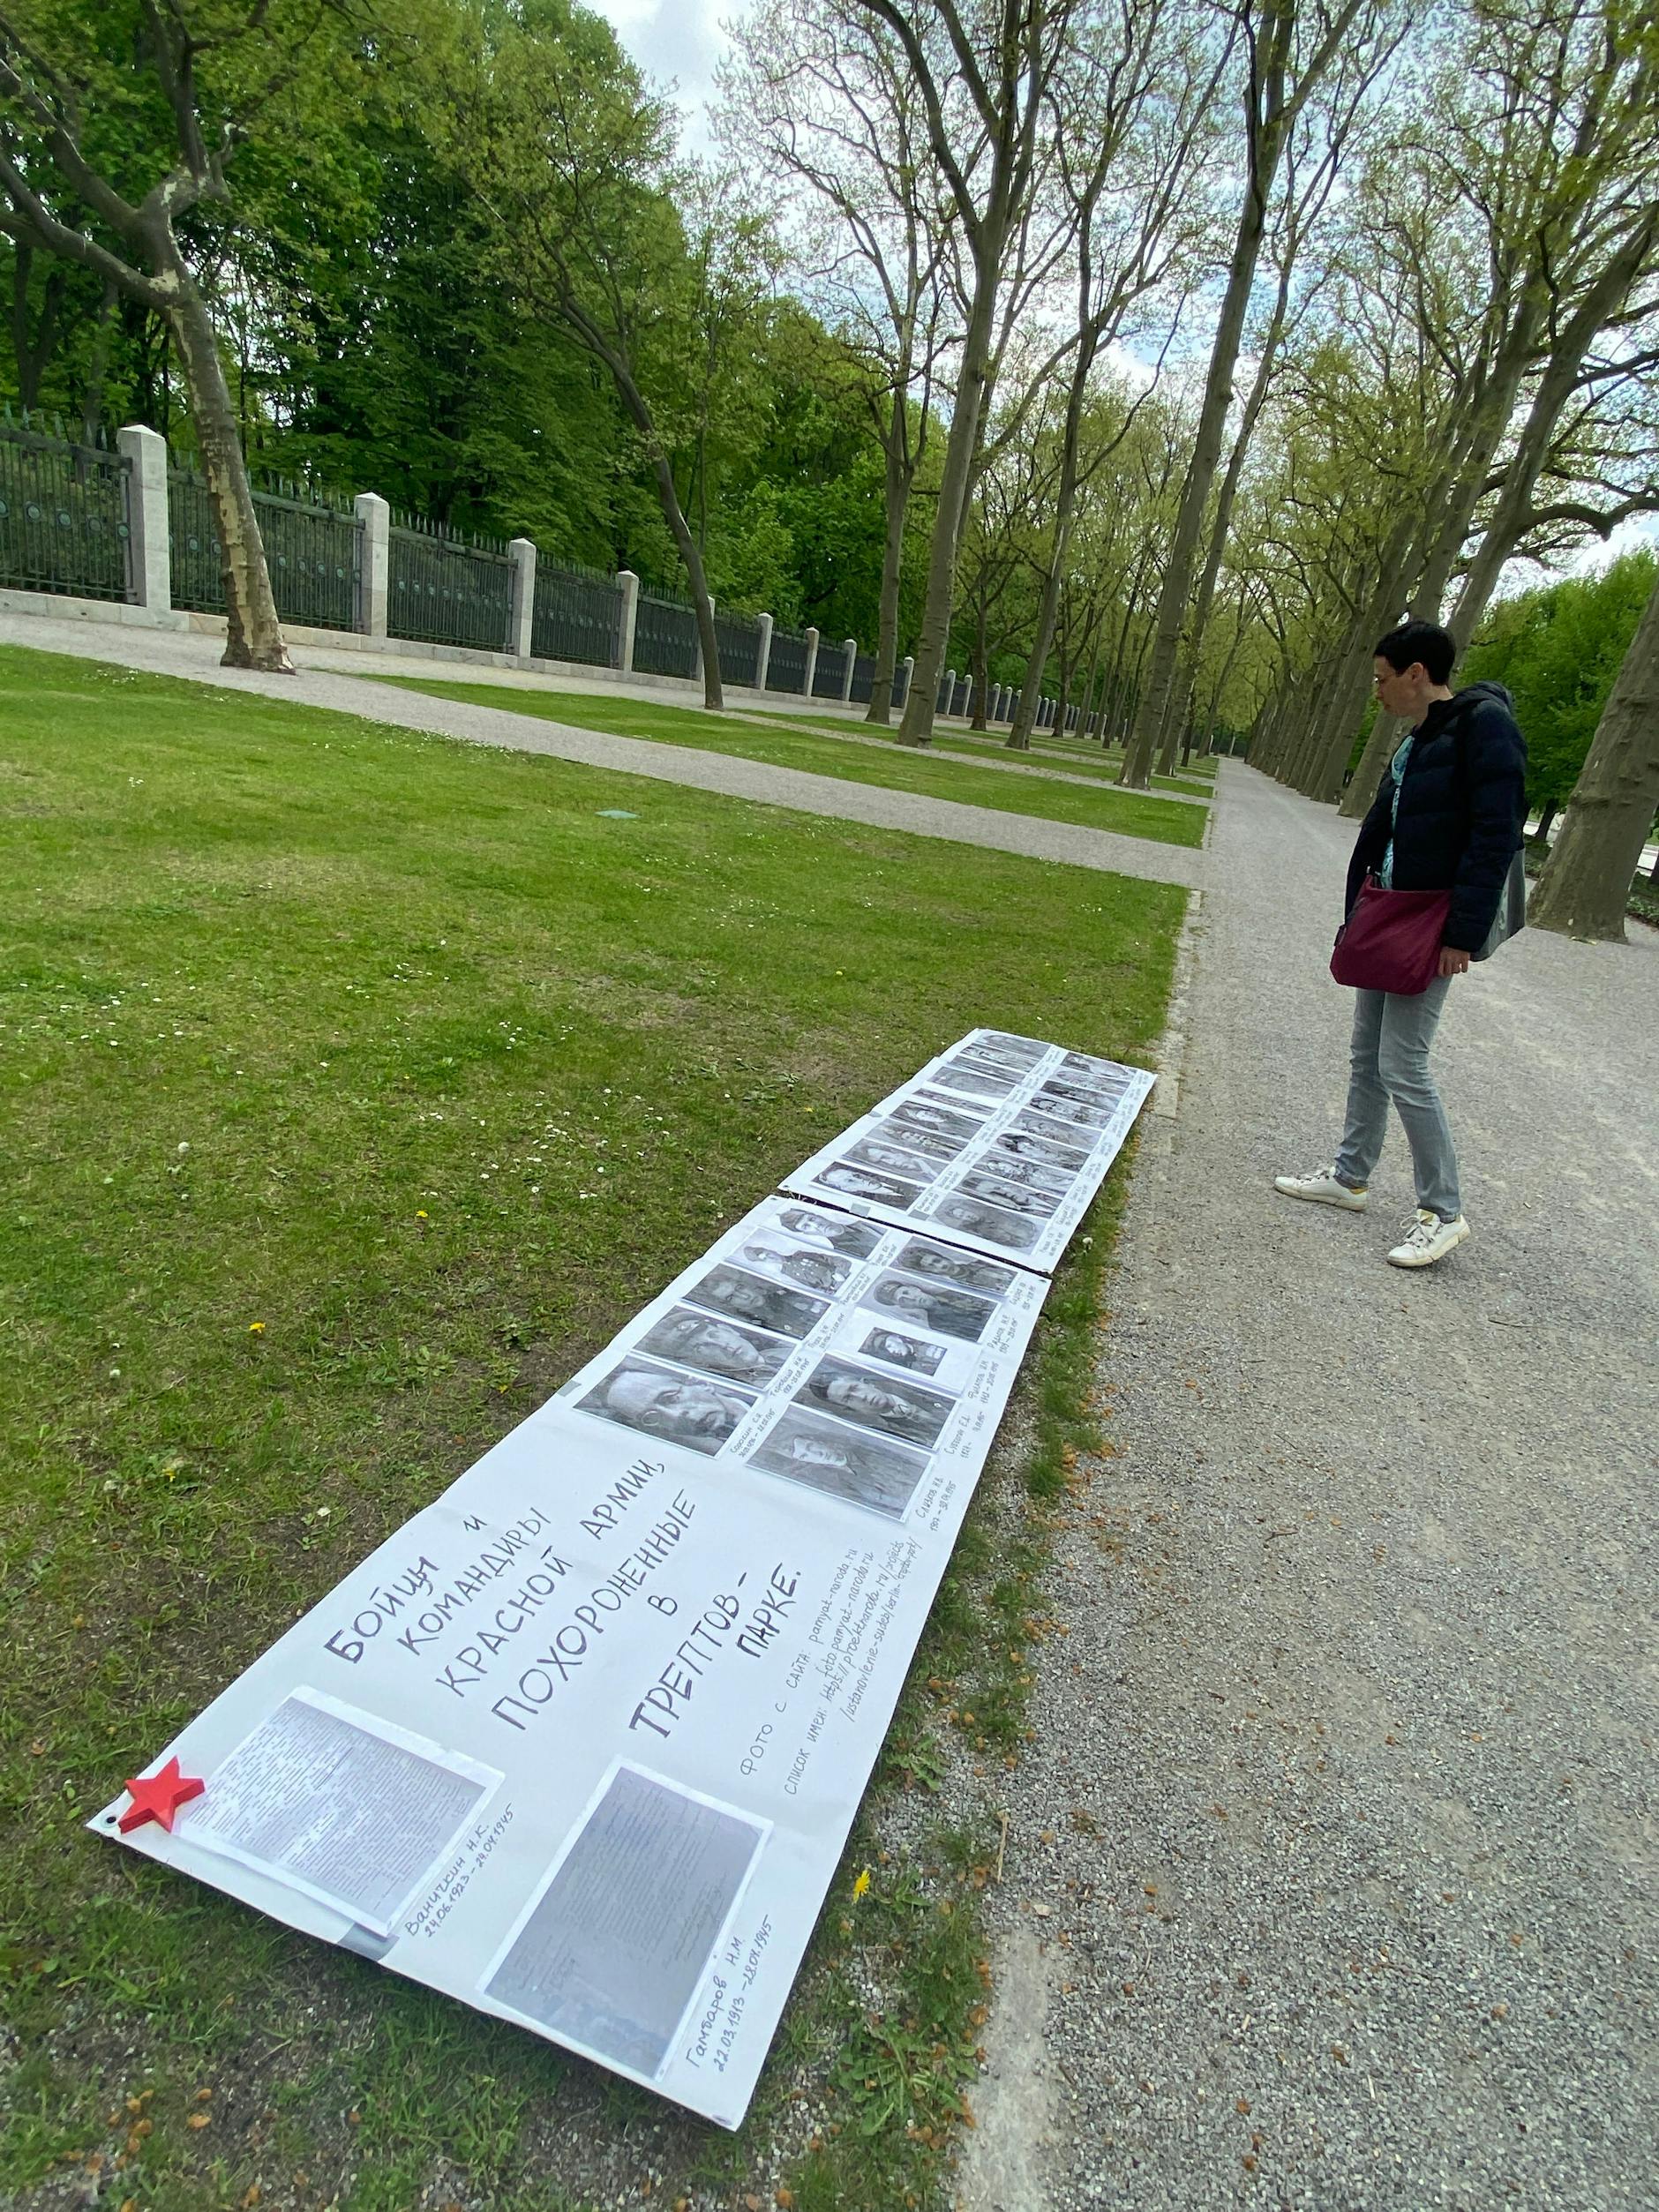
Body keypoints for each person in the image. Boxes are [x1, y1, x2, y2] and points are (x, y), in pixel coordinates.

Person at [1276, 619, 1526, 1269]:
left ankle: (1442, 1211)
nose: (1376, 690)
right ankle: (1351, 1176)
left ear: (1418, 673)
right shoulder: (1418, 739)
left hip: (1431, 924)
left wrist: (1461, 934)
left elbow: (1494, 836)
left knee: (1404, 1064)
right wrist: (1358, 908)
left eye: (1383, 678)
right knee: (1368, 1055)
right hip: (1388, 913)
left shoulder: (1483, 727)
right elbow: (1385, 833)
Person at [582, 1361, 751, 1453]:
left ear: (700, 1383)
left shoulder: (750, 1389)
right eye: (651, 1418)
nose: (676, 1416)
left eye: (671, 1399)